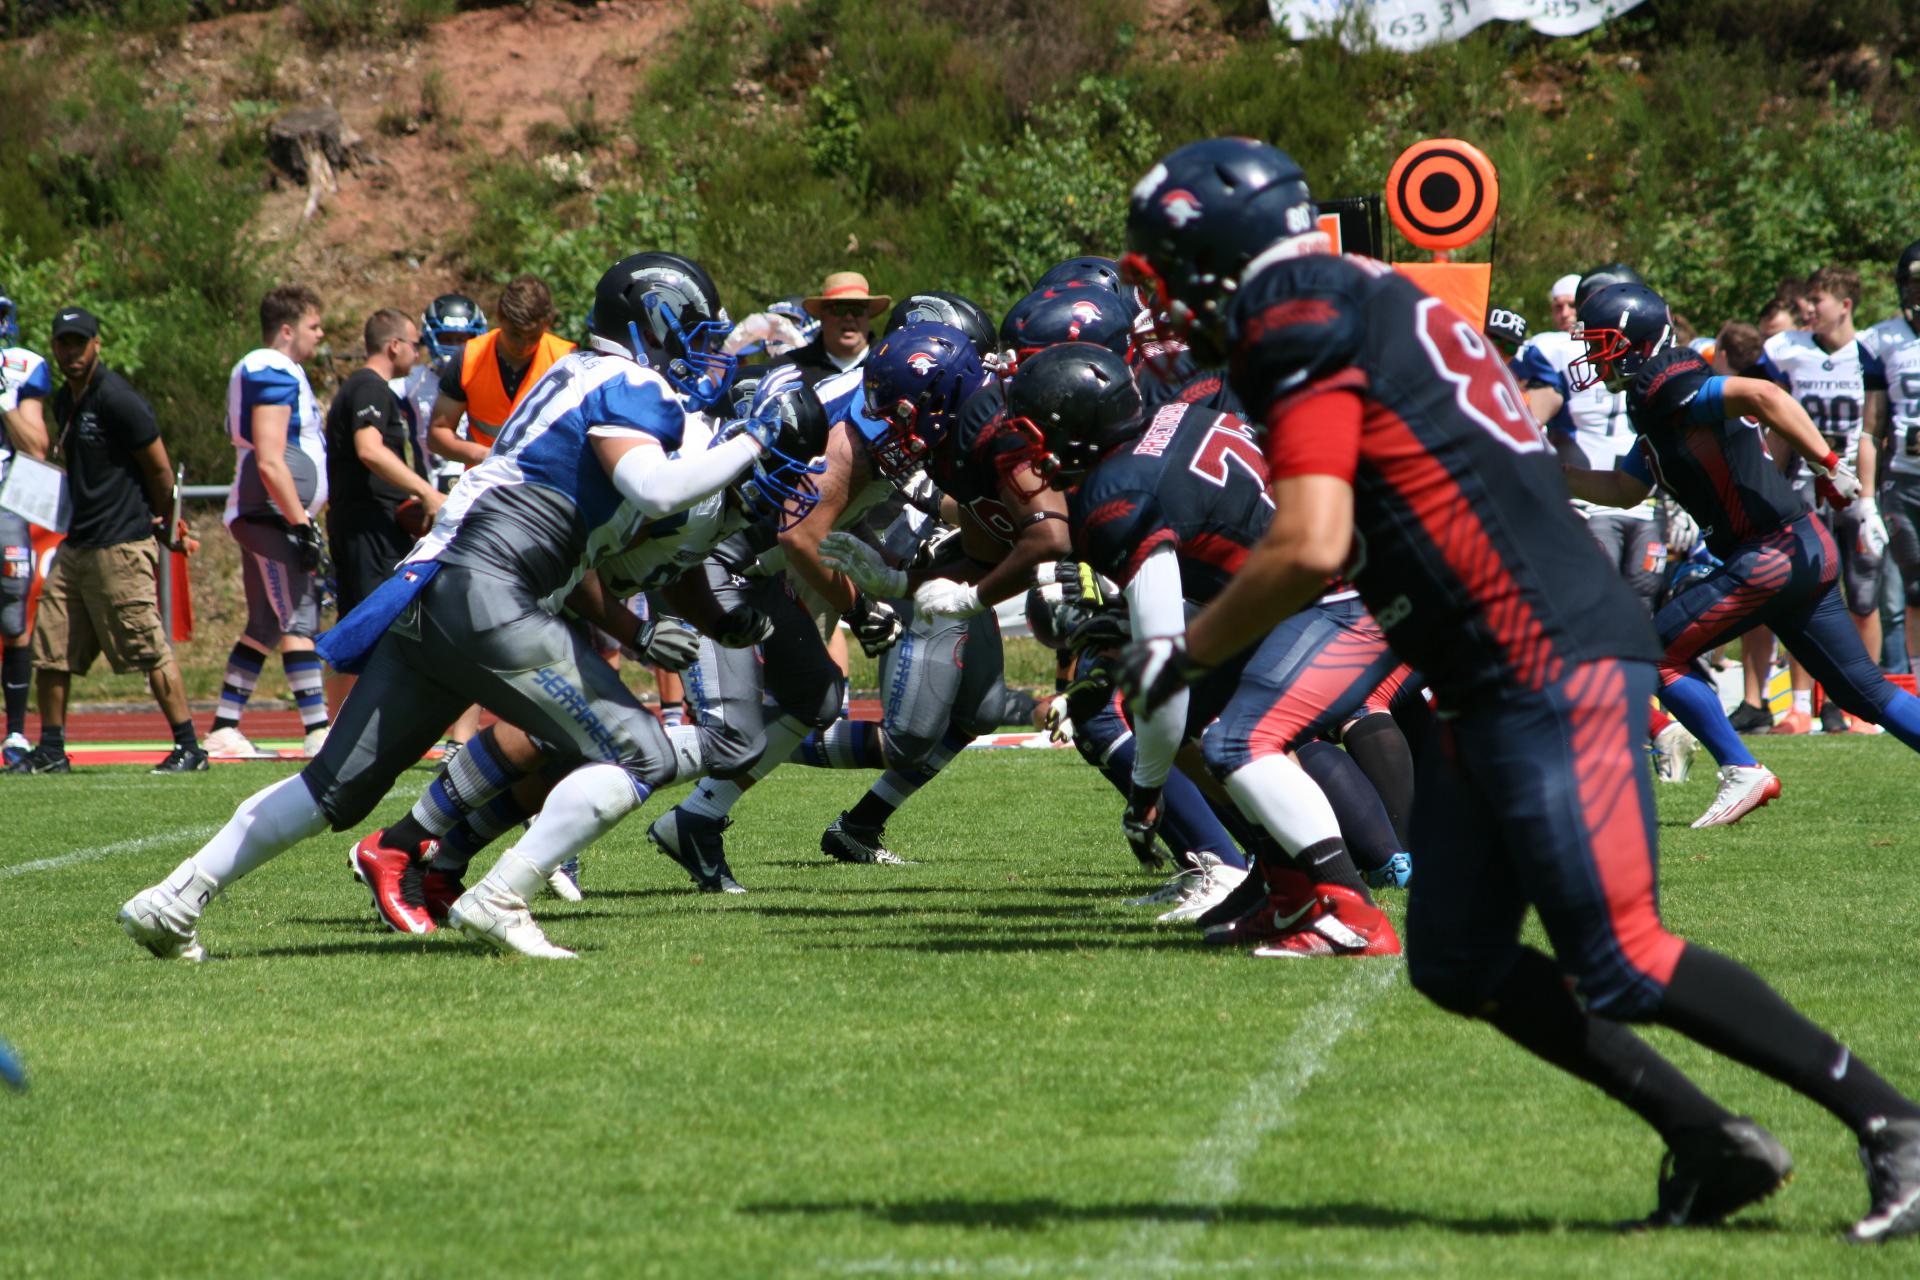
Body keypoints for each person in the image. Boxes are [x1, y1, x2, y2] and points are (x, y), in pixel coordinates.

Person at [1114, 136, 1920, 1241]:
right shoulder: (1375, 294)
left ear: (1214, 250)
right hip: (1483, 659)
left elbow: (1310, 540)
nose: (1164, 301)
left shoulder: (1294, 309)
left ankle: (1893, 1122)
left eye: (1165, 269)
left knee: (1623, 954)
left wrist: (1182, 652)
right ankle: (1708, 1139)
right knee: (1457, 956)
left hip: (1541, 648)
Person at [116, 252, 789, 961]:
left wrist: (641, 627)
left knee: (329, 788)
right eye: (691, 333)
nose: (699, 353)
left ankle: (175, 898)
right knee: (640, 752)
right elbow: (655, 488)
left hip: (437, 585)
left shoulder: (575, 375)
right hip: (492, 584)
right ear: (651, 321)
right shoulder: (627, 382)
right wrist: (756, 435)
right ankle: (501, 897)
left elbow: (590, 542)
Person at [1566, 282, 1920, 828]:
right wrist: (1551, 473)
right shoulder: (1656, 401)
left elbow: (1765, 396)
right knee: (1866, 693)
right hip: (1797, 545)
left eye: (1601, 344)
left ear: (1635, 343)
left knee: (1653, 651)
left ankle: (1741, 768)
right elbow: (1625, 488)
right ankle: (1741, 766)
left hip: (1770, 551)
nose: (1593, 358)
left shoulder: (1668, 383)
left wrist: (1828, 463)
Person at [5, 307, 203, 775]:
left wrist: (167, 523)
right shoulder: (63, 400)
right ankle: (51, 750)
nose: (72, 351)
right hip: (77, 543)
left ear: (96, 344)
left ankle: (189, 747)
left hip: (121, 542)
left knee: (147, 644)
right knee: (51, 647)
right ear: (54, 348)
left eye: (80, 342)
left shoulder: (118, 399)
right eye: (64, 343)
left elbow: (159, 467)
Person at [1752, 266, 1889, 734]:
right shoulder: (1787, 351)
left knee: (1863, 596)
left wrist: (1869, 497)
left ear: (1845, 305)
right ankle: (1800, 705)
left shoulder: (1871, 352)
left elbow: (1875, 428)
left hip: (1854, 489)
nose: (1807, 308)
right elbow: (1775, 424)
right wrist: (1768, 485)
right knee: (1805, 594)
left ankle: (1866, 705)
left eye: (1817, 300)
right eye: (1807, 300)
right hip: (1804, 488)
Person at [204, 285, 331, 760]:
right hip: (271, 515)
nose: (321, 334)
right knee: (298, 618)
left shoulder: (276, 368)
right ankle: (318, 730)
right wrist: (300, 524)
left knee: (264, 624)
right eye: (314, 325)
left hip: (271, 513)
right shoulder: (270, 366)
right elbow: (271, 457)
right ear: (287, 330)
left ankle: (224, 727)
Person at [323, 308, 445, 707]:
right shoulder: (371, 388)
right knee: (377, 630)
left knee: (355, 626)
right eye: (415, 344)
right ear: (394, 346)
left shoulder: (363, 387)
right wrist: (425, 492)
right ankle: (361, 725)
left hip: (361, 526)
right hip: (370, 531)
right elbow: (369, 450)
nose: (419, 353)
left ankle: (336, 727)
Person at [1862, 241, 1920, 675]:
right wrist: (1866, 500)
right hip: (1903, 478)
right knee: (1915, 590)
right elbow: (1872, 427)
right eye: (1911, 284)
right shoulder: (1882, 340)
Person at [0, 285, 52, 765]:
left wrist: (3, 400)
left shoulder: (21, 367)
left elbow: (36, 445)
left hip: (5, 504)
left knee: (14, 614)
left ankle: (15, 732)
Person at [776, 271, 890, 387]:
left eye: (857, 309)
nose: (849, 317)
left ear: (868, 315)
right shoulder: (787, 371)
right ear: (822, 315)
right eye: (839, 309)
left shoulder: (889, 363)